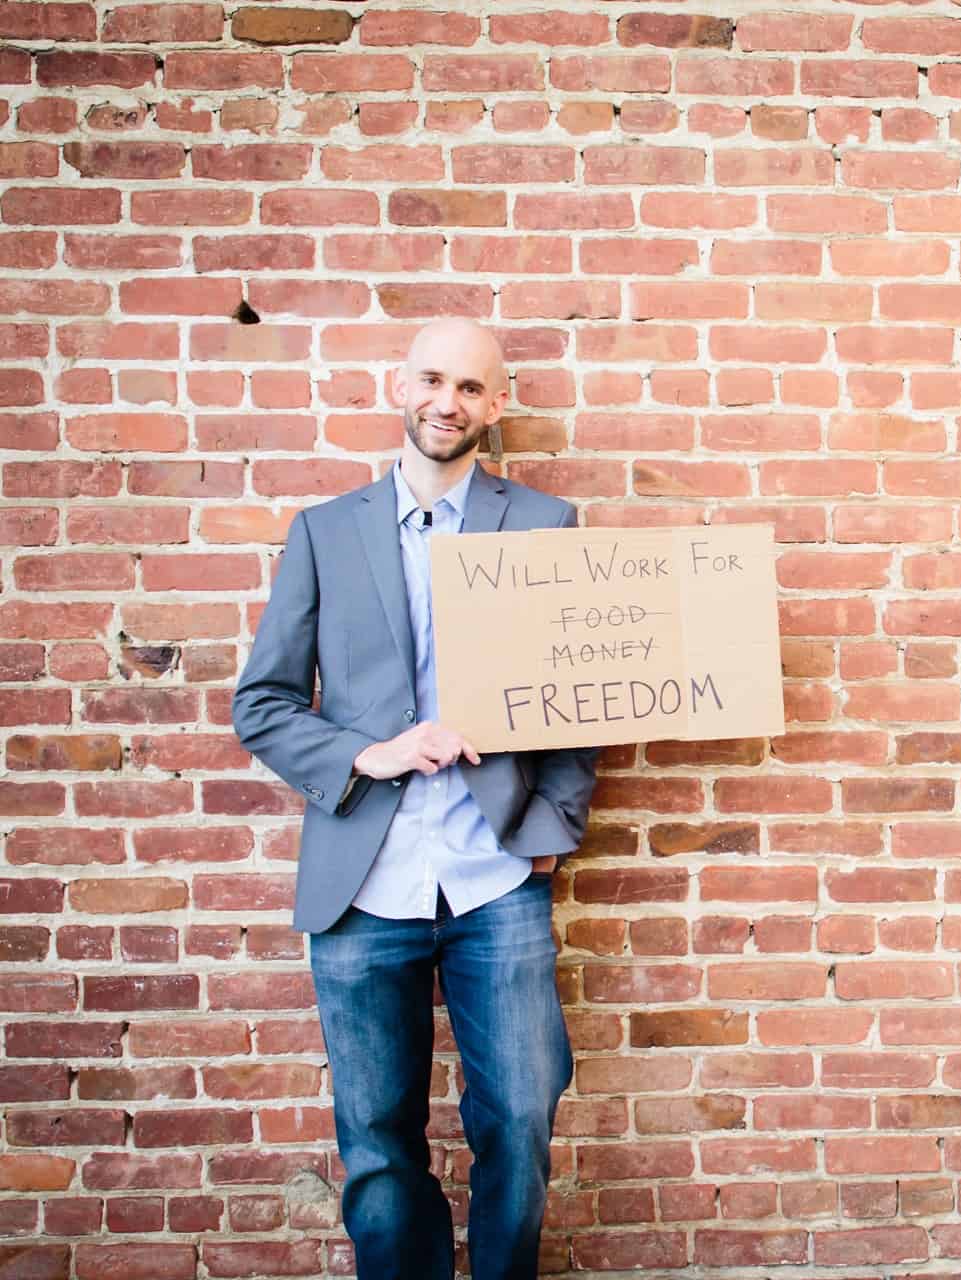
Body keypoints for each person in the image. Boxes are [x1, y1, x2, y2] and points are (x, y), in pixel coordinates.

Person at [233, 319, 600, 1280]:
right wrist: (374, 752)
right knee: (378, 1141)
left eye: (472, 387)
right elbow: (262, 705)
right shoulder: (325, 532)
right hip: (363, 880)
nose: (449, 402)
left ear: (498, 402)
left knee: (521, 1114)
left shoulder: (544, 526)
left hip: (496, 875)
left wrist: (550, 832)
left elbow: (581, 696)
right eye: (434, 380)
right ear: (399, 385)